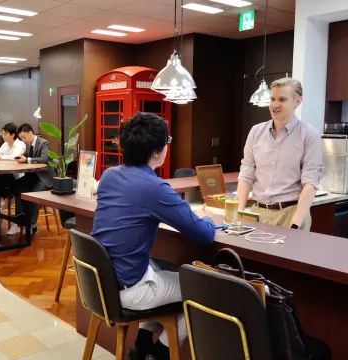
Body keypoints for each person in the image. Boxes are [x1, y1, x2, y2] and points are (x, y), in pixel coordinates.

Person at [91, 112, 216, 360]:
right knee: (205, 290)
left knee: (168, 271)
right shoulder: (155, 188)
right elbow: (204, 235)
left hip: (102, 283)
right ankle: (160, 353)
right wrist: (209, 217)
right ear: (158, 151)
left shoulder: (109, 175)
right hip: (129, 288)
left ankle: (142, 346)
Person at [237, 78, 323, 231]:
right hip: (257, 213)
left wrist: (296, 223)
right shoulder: (256, 132)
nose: (275, 105)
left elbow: (310, 183)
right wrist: (239, 212)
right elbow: (246, 173)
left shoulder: (310, 136)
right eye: (272, 99)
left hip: (290, 213)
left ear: (298, 101)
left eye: (282, 99)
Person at [10, 123, 55, 236]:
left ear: (30, 132)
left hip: (45, 178)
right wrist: (21, 157)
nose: (23, 140)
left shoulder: (44, 143)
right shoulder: (29, 145)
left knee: (34, 194)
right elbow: (26, 158)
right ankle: (22, 217)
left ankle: (32, 225)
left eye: (24, 137)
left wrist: (28, 159)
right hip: (34, 176)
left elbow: (44, 159)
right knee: (18, 186)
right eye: (21, 138)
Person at [0, 123, 27, 234]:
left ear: (13, 134)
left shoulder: (20, 144)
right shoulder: (5, 144)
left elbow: (16, 157)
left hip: (18, 176)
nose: (2, 135)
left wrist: (0, 158)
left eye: (5, 134)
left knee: (1, 180)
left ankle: (16, 221)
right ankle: (8, 196)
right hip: (6, 174)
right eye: (2, 133)